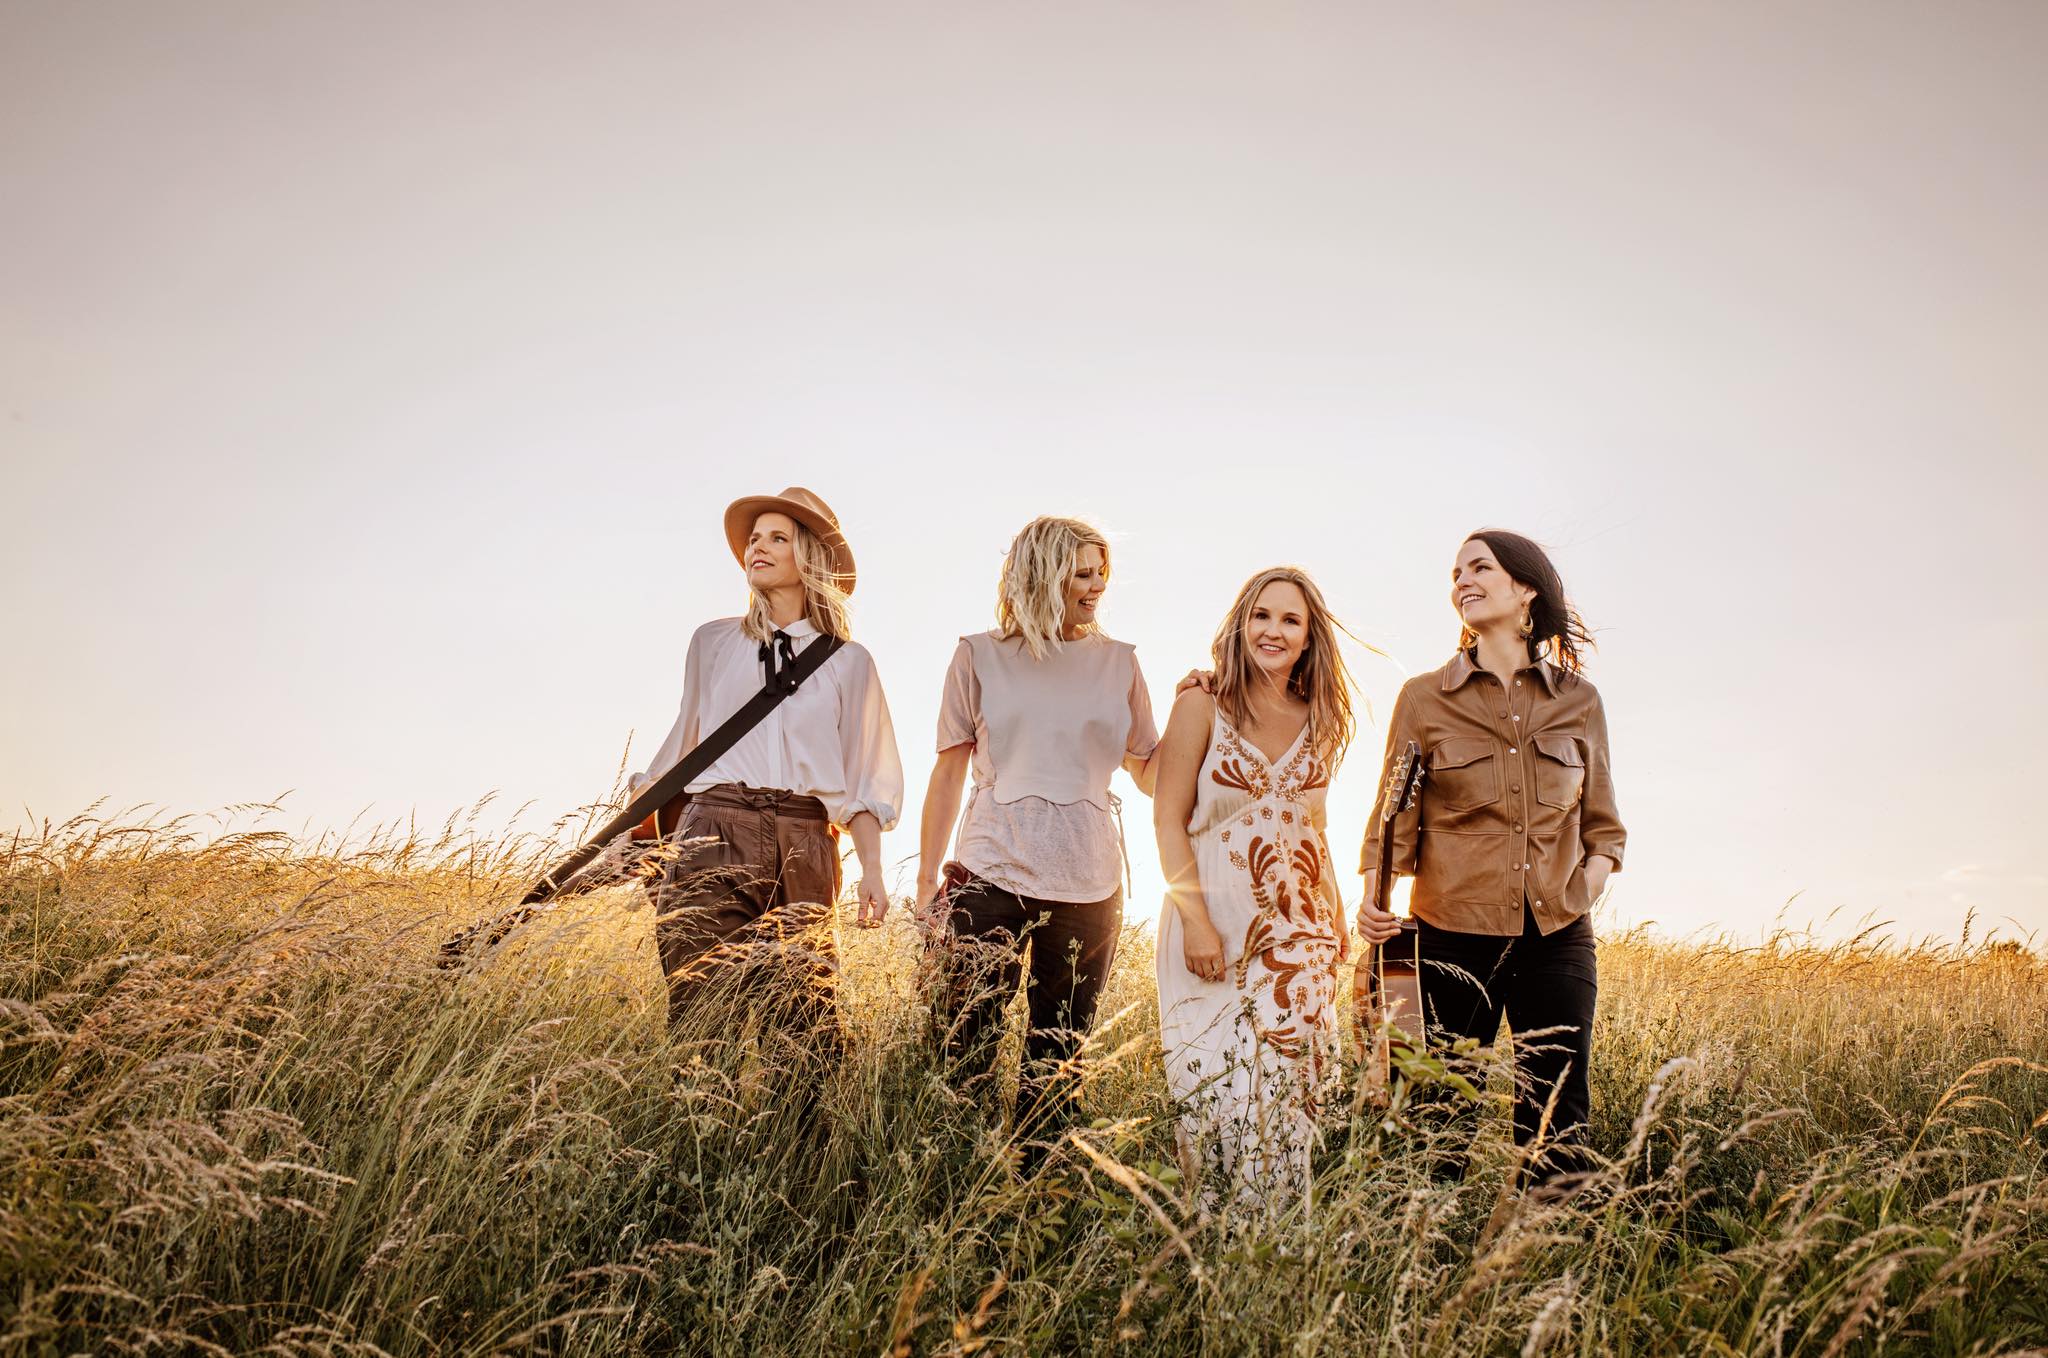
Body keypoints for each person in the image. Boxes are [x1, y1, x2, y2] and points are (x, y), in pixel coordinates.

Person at [1355, 529, 1625, 1187]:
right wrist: (1370, 900)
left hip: (1557, 937)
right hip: (1449, 936)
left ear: (1526, 587)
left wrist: (1582, 891)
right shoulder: (1423, 698)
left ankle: (1544, 1247)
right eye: (1456, 574)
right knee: (1435, 1121)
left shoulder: (1579, 701)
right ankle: (1424, 1249)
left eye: (1480, 568)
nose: (1462, 582)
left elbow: (1604, 827)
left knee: (1557, 1119)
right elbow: (1392, 818)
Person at [916, 516, 1161, 1147]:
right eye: (1082, 573)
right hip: (989, 876)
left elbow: (1149, 771)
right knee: (962, 1049)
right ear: (1041, 575)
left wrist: (1202, 706)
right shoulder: (978, 654)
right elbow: (948, 771)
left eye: (1102, 572)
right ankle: (957, 1180)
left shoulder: (1120, 664)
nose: (1097, 585)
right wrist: (924, 884)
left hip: (1089, 886)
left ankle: (1036, 1186)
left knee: (1057, 1063)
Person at [633, 486, 903, 1043]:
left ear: (809, 558)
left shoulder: (850, 663)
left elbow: (865, 777)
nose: (757, 547)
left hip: (805, 843)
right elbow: (682, 747)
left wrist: (872, 870)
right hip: (713, 831)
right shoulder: (712, 642)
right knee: (703, 1023)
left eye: (777, 538)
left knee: (804, 1034)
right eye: (754, 538)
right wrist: (637, 837)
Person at [1152, 567, 1357, 1214]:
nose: (1274, 630)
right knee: (1210, 1094)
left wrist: (1338, 916)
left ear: (1308, 637)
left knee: (1286, 1103)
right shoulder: (1202, 704)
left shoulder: (1321, 719)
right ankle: (1210, 1248)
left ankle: (1276, 1248)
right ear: (1241, 624)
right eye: (1262, 615)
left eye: (1290, 620)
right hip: (1210, 928)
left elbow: (1316, 829)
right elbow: (1168, 819)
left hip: (1301, 937)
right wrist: (1197, 923)